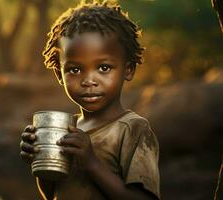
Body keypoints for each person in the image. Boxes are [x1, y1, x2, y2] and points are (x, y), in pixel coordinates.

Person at [20, 1, 160, 200]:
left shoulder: (133, 129)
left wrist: (91, 163)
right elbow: (53, 194)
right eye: (74, 70)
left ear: (128, 69)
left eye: (103, 68)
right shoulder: (68, 130)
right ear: (59, 74)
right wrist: (42, 161)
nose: (88, 81)